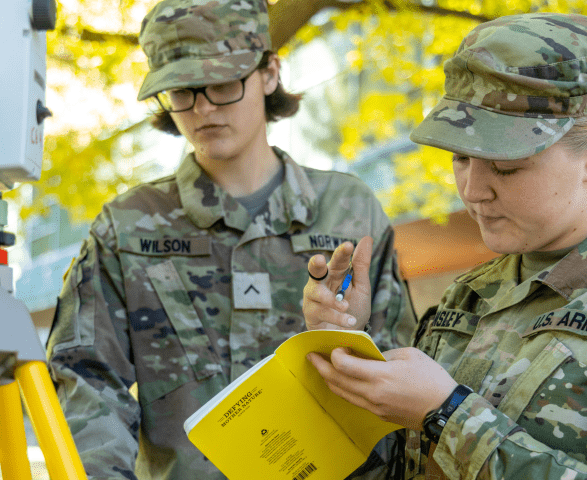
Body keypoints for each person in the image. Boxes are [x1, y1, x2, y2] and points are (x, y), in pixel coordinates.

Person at [45, 0, 416, 478]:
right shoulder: (128, 227)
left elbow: (399, 366)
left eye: (222, 84)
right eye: (181, 91)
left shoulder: (348, 208)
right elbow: (87, 382)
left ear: (268, 73)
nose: (201, 109)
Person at [303, 12, 587, 480]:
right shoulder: (471, 293)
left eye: (505, 166)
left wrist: (448, 413)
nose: (473, 189)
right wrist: (350, 353)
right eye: (461, 158)